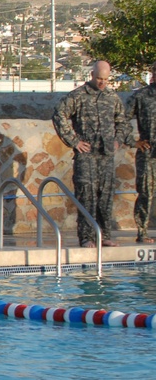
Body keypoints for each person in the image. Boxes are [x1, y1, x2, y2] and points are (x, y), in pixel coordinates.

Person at [52, 60, 129, 247]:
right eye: (99, 78)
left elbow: (123, 122)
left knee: (106, 195)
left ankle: (105, 235)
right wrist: (74, 141)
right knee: (86, 195)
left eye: (105, 79)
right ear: (92, 75)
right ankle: (87, 237)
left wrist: (118, 139)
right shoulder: (78, 96)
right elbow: (58, 115)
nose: (102, 83)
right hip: (86, 155)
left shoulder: (112, 97)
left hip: (106, 155)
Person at [127, 62, 156, 243]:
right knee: (146, 192)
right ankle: (142, 231)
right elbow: (120, 120)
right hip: (148, 154)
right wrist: (133, 142)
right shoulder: (142, 96)